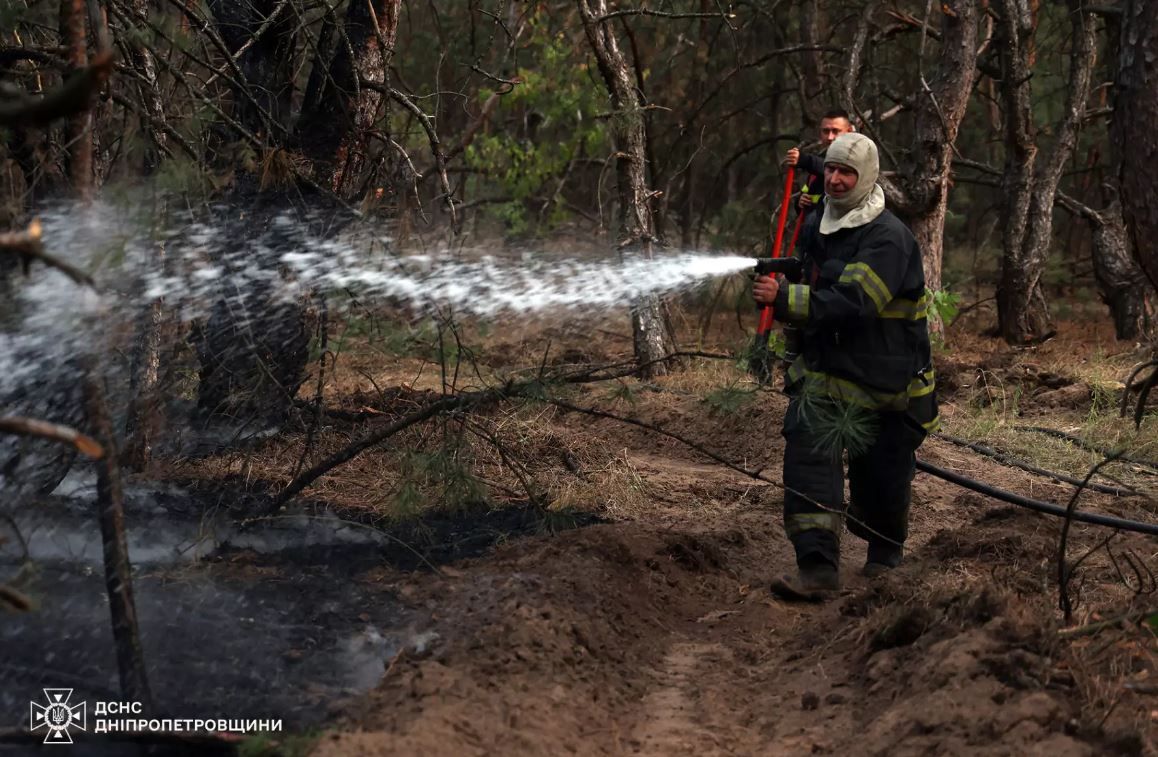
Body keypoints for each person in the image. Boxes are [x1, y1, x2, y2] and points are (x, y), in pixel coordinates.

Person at [753, 132, 939, 602]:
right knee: (807, 454)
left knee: (881, 482)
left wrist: (787, 299)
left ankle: (883, 553)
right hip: (826, 371)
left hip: (887, 385)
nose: (835, 180)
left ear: (867, 178)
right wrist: (789, 272)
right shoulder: (819, 220)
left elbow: (858, 300)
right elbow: (818, 271)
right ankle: (817, 567)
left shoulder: (889, 238)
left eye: (846, 173)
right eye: (831, 169)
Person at [785, 109, 856, 218]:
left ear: (849, 131)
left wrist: (804, 160)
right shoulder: (819, 160)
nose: (830, 137)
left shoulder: (857, 158)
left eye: (836, 131)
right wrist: (800, 201)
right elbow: (807, 189)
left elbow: (830, 168)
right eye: (826, 131)